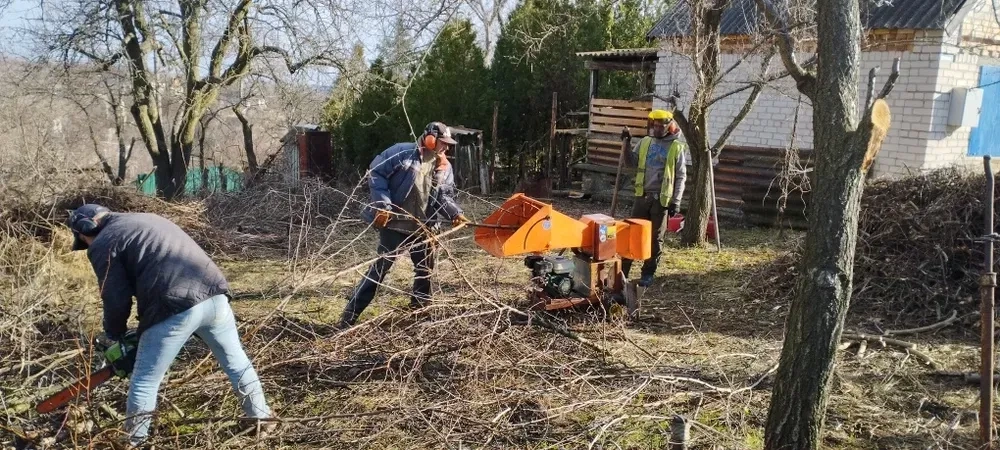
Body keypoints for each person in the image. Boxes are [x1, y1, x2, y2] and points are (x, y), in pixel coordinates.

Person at [67, 204, 272, 446]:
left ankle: (134, 442)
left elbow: (115, 297)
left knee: (144, 380)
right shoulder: (145, 218)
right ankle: (261, 418)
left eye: (84, 240)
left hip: (174, 304)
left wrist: (114, 335)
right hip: (214, 293)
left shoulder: (103, 242)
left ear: (84, 230)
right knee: (236, 362)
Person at [337, 122, 468, 328]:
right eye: (443, 142)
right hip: (395, 224)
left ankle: (420, 313)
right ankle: (349, 316)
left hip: (424, 227)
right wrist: (383, 206)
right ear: (430, 138)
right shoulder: (402, 152)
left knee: (425, 271)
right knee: (379, 270)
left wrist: (455, 213)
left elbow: (444, 195)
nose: (446, 147)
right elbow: (375, 172)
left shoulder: (444, 166)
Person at [621, 109, 688, 287]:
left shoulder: (676, 147)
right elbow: (630, 164)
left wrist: (676, 201)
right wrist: (627, 143)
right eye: (655, 125)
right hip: (642, 197)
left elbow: (681, 176)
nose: (657, 128)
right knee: (632, 233)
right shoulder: (645, 142)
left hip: (661, 201)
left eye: (661, 126)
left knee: (655, 238)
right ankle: (623, 271)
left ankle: (648, 273)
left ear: (669, 126)